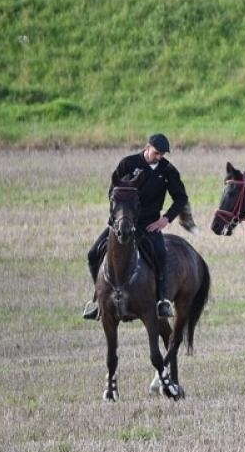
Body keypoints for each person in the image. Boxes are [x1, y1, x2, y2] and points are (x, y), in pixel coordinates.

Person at [81, 133, 190, 320]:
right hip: (122, 224)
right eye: (157, 152)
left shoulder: (168, 171)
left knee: (160, 254)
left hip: (149, 225)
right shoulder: (127, 164)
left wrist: (166, 219)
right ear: (147, 147)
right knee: (93, 254)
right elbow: (112, 193)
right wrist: (119, 218)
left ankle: (162, 302)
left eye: (163, 154)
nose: (160, 157)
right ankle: (98, 300)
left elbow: (181, 198)